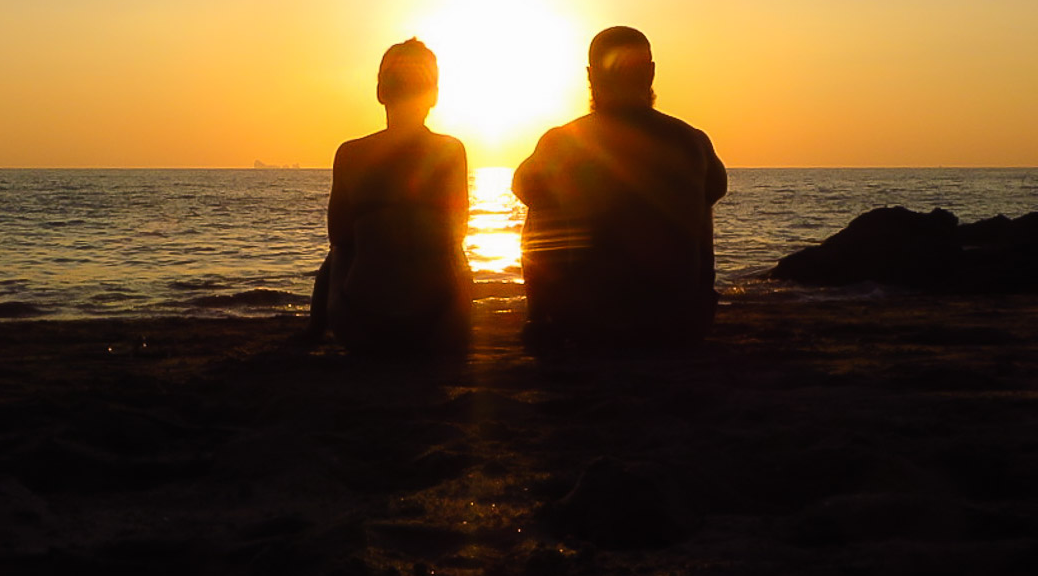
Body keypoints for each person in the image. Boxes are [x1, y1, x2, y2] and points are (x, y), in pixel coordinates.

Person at [512, 26, 727, 348]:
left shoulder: (562, 142)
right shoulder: (693, 141)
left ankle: (540, 318)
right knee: (699, 201)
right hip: (682, 323)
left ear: (591, 75)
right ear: (650, 73)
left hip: (588, 323)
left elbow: (523, 188)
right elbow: (715, 189)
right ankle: (694, 295)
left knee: (541, 199)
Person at [311, 39, 472, 354]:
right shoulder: (451, 152)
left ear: (381, 92)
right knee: (454, 248)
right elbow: (457, 232)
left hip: (360, 326)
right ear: (434, 95)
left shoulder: (350, 154)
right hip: (439, 327)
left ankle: (314, 328)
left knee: (342, 250)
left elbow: (339, 237)